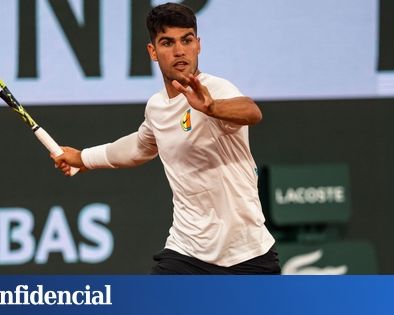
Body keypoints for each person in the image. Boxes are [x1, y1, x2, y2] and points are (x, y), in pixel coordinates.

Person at [53, 2, 280, 275]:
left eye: (186, 40)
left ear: (198, 45)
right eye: (167, 43)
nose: (179, 50)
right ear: (153, 51)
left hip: (248, 254)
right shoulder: (157, 107)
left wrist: (211, 107)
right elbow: (138, 147)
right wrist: (83, 158)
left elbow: (251, 112)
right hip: (187, 252)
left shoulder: (216, 89)